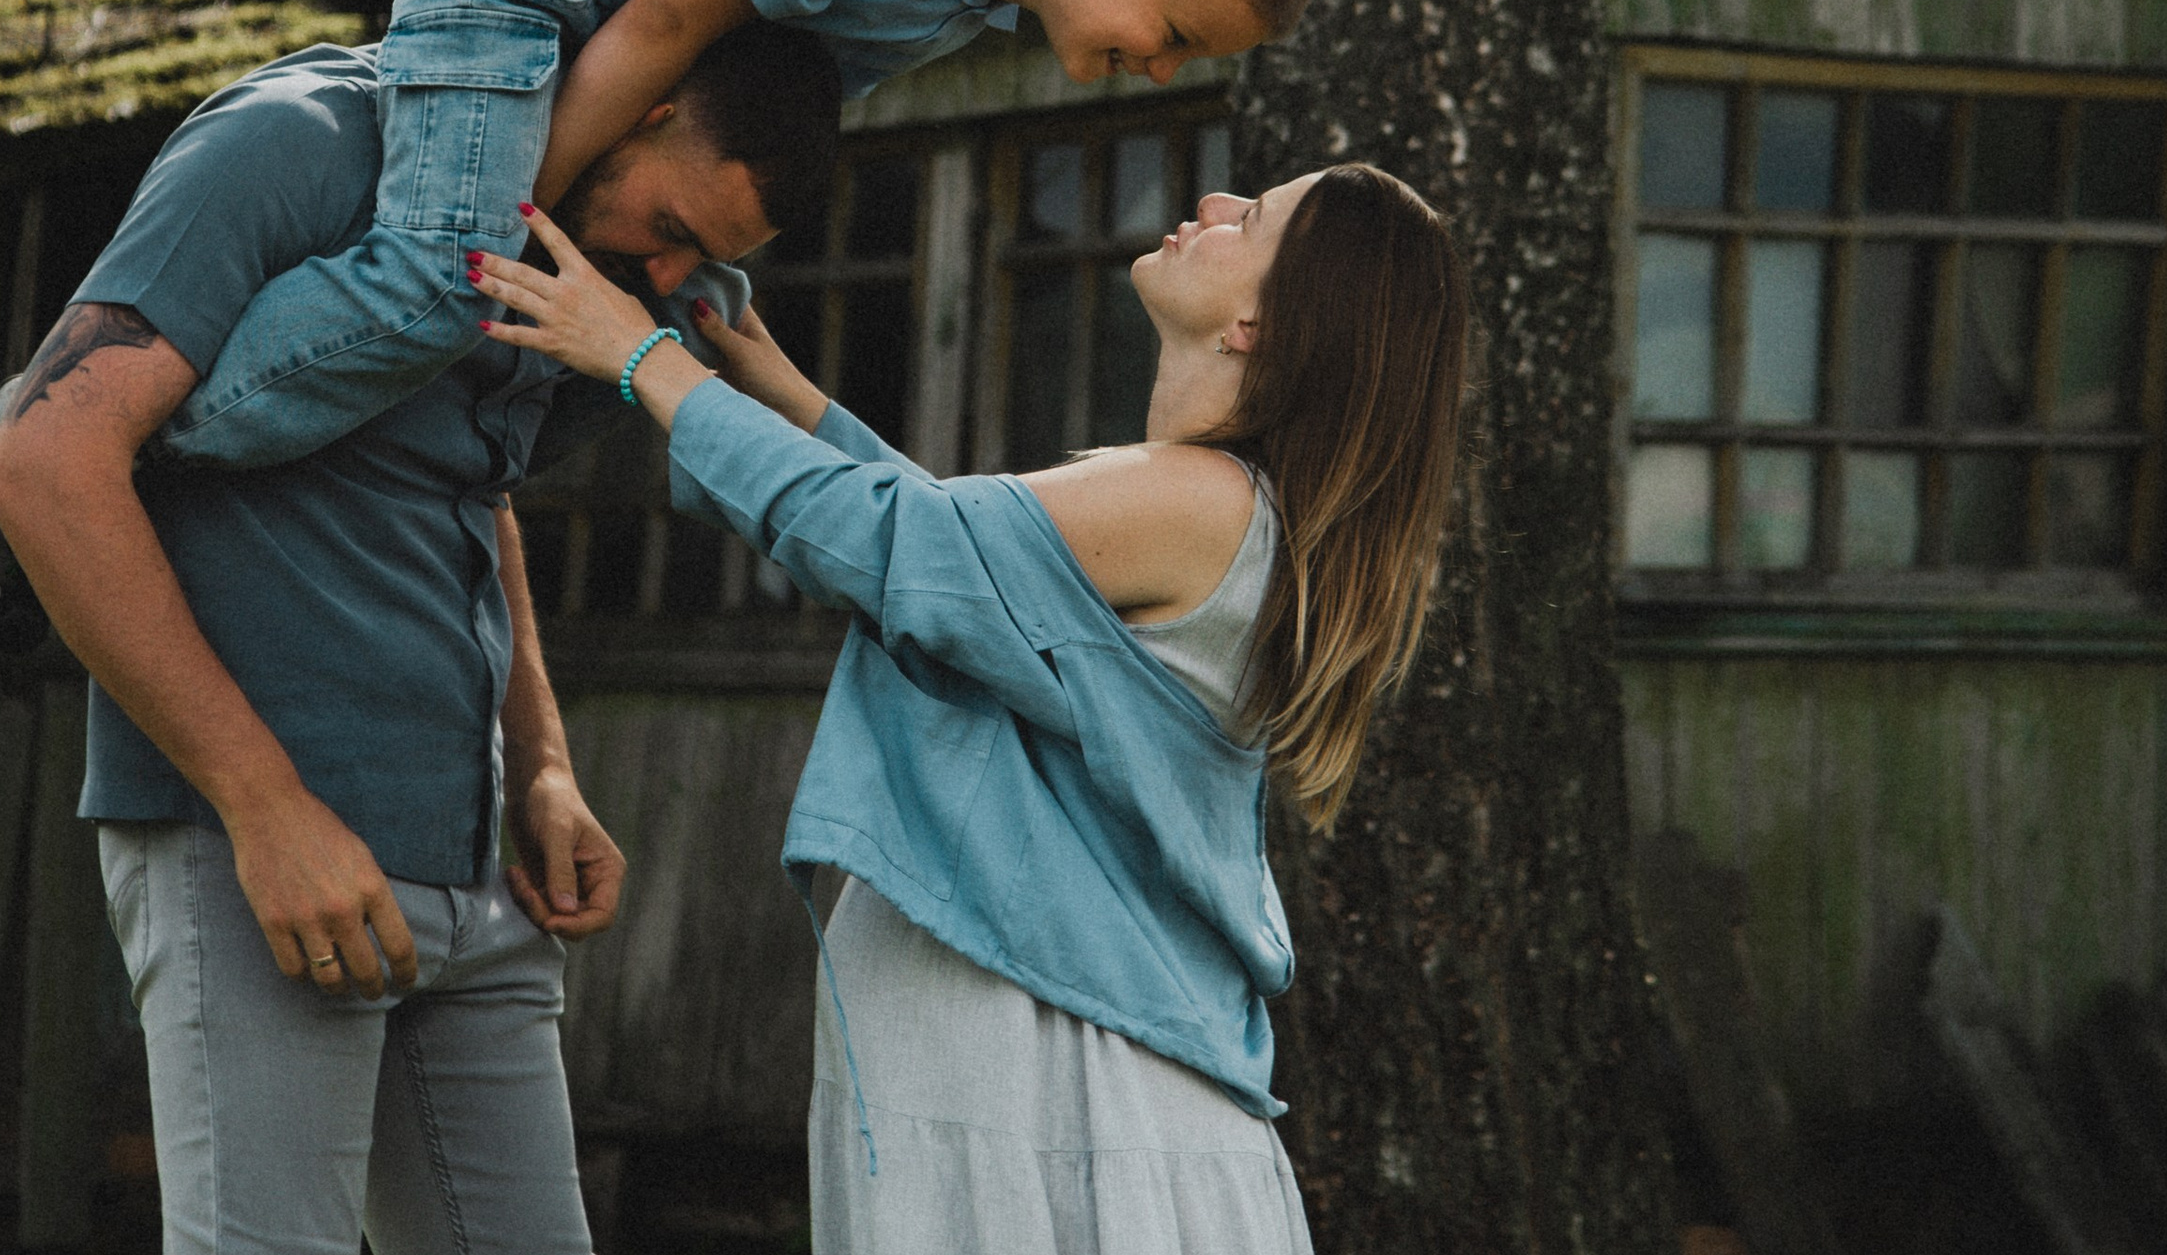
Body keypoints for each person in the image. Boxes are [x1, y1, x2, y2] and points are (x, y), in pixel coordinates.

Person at [474, 162, 1468, 1255]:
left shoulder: (1200, 498)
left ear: (1257, 326)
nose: (1216, 205)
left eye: (1256, 219)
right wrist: (780, 393)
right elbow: (960, 564)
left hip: (1053, 1087)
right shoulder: (1220, 510)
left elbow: (903, 548)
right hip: (1053, 1080)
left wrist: (641, 359)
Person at [0, 21, 844, 1255]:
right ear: (647, 109)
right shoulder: (303, 138)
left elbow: (468, 486)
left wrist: (539, 760)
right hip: (267, 848)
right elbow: (44, 464)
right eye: (678, 227)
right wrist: (265, 806)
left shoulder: (565, 240)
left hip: (474, 864)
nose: (665, 272)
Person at [157, 0, 1317, 469]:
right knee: (444, 274)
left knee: (648, 340)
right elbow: (670, 19)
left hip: (614, 40)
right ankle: (152, 442)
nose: (1157, 69)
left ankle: (411, 474)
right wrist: (526, 220)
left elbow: (760, 93)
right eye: (1173, 31)